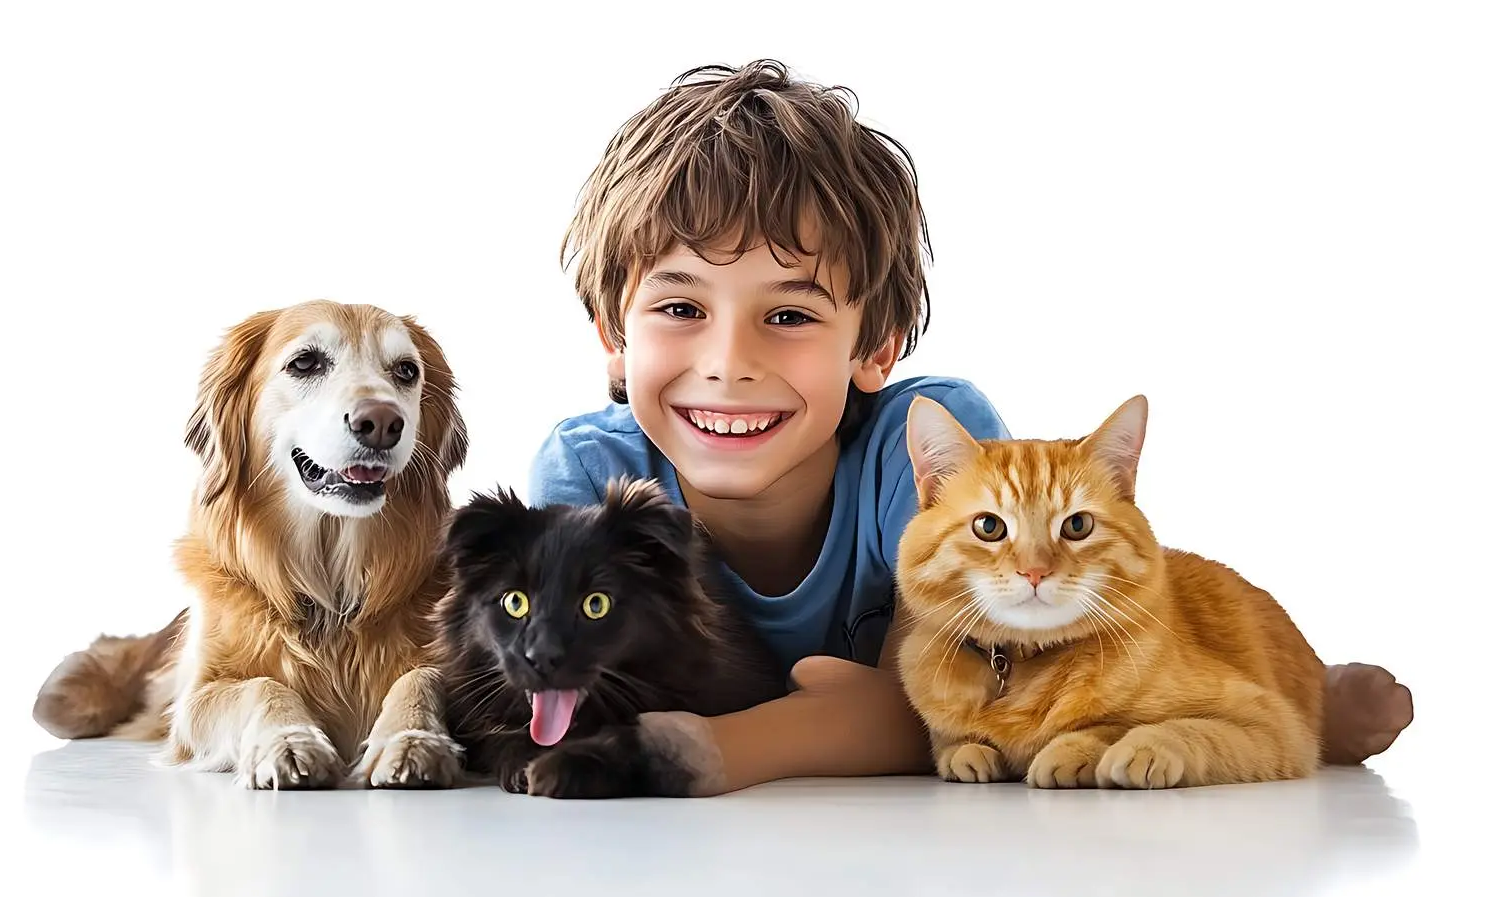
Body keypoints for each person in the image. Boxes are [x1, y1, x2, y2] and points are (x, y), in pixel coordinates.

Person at [529, 59, 1413, 795]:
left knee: (1215, 678)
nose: (729, 359)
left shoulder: (929, 445)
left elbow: (971, 702)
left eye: (790, 316)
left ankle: (1310, 695)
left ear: (874, 347)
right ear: (613, 336)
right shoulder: (587, 475)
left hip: (1039, 697)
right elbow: (553, 692)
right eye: (681, 306)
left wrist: (740, 745)